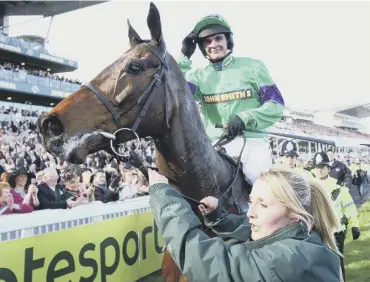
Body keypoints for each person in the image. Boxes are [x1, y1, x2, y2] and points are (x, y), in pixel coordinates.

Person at [144, 168, 342, 281]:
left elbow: (204, 260)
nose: (251, 212)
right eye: (251, 201)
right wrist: (218, 217)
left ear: (295, 216)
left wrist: (163, 195)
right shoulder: (304, 240)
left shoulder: (288, 260)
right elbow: (251, 230)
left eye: (263, 205)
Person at [179, 14, 285, 185]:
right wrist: (184, 58)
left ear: (228, 41)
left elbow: (276, 106)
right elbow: (176, 97)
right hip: (216, 145)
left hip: (252, 143)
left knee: (257, 180)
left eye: (218, 38)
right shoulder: (197, 77)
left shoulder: (253, 66)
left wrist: (245, 118)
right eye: (207, 41)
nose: (214, 45)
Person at [312, 151, 360, 281]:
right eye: (317, 167)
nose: (320, 170)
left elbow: (349, 207)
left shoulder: (338, 186)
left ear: (328, 168)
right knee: (319, 264)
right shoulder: (309, 187)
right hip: (317, 232)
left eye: (323, 167)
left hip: (336, 231)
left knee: (337, 262)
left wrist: (355, 225)